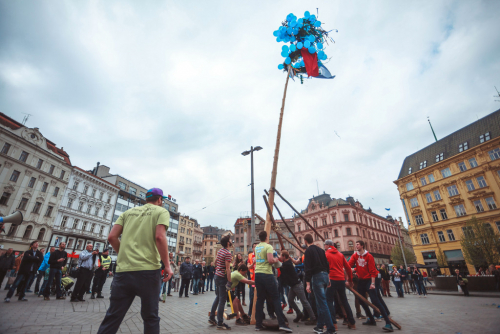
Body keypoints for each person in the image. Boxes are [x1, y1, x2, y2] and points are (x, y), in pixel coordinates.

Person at [96, 188, 173, 334]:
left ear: (146, 199)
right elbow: (160, 237)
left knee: (113, 316)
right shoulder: (161, 211)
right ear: (159, 200)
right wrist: (167, 266)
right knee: (150, 317)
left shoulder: (127, 213)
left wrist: (124, 253)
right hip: (148, 271)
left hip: (124, 271)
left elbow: (112, 237)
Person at [348, 240, 394, 332]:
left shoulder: (369, 256)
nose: (356, 246)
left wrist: (373, 284)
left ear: (362, 245)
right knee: (361, 300)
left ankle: (388, 323)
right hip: (361, 279)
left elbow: (372, 271)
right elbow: (349, 265)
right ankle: (371, 319)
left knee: (375, 300)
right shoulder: (355, 255)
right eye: (355, 244)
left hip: (370, 279)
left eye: (357, 244)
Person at [301, 234, 335, 334]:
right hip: (325, 275)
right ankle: (319, 326)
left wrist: (307, 284)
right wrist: (328, 278)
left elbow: (307, 269)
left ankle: (331, 329)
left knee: (322, 303)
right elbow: (326, 264)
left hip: (317, 277)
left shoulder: (308, 251)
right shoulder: (321, 250)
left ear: (306, 241)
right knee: (319, 302)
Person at [324, 240, 356, 329]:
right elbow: (348, 268)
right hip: (341, 279)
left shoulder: (326, 254)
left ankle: (333, 324)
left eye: (325, 245)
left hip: (331, 280)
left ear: (328, 245)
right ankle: (352, 323)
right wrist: (350, 280)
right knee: (344, 301)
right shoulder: (340, 254)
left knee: (329, 301)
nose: (324, 246)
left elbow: (324, 268)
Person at [279, 250, 316, 325]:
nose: (280, 257)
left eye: (281, 255)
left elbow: (280, 266)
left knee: (304, 302)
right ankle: (299, 313)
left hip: (297, 285)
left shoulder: (287, 264)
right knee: (290, 300)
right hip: (293, 285)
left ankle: (313, 318)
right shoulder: (287, 262)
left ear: (284, 257)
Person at [208, 235, 233, 330]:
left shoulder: (220, 251)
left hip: (216, 276)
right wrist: (229, 282)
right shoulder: (227, 253)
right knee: (222, 300)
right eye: (230, 240)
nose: (231, 241)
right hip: (222, 277)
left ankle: (211, 318)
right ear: (227, 243)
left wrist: (219, 267)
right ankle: (220, 322)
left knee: (218, 297)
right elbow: (228, 268)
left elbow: (215, 262)